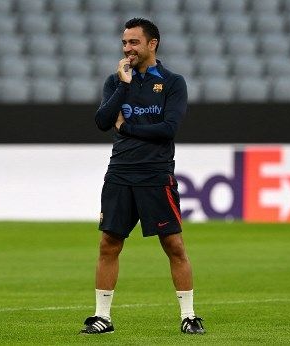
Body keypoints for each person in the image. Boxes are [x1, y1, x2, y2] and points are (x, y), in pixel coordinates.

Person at [80, 18, 204, 335]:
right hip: (120, 173)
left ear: (152, 44)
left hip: (155, 174)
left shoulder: (173, 83)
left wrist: (128, 128)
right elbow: (102, 121)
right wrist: (123, 86)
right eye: (124, 43)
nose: (127, 49)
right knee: (108, 244)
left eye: (134, 42)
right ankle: (102, 317)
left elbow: (168, 130)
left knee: (174, 245)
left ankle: (189, 317)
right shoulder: (116, 81)